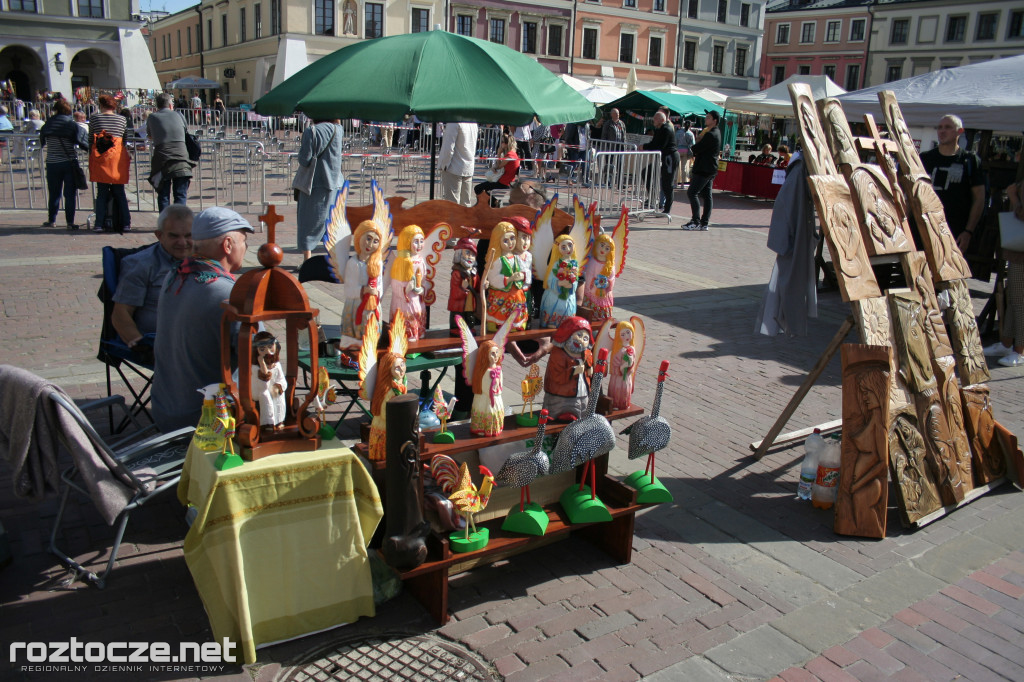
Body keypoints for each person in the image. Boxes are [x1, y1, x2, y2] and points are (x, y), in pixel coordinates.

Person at [151, 206, 254, 433]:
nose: (246, 247)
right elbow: (261, 359)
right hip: (207, 421)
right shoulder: (228, 293)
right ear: (228, 245)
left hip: (164, 410)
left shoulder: (174, 275)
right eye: (243, 241)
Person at [111, 205, 194, 359]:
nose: (182, 243)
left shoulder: (203, 259)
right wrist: (138, 343)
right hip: (162, 345)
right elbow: (120, 313)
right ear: (159, 235)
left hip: (197, 338)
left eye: (188, 235)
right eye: (174, 236)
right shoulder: (141, 265)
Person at [920, 114, 986, 253]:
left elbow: (979, 199)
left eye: (948, 127)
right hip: (923, 227)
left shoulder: (969, 161)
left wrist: (968, 231)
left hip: (953, 230)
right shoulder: (925, 158)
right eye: (940, 127)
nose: (942, 131)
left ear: (959, 131)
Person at [984, 180, 1024, 367]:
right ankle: (1007, 342)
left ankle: (1019, 350)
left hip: (1021, 252)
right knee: (1013, 297)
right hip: (1018, 253)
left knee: (1020, 303)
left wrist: (1014, 196)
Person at [296, 118, 345, 261]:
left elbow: (304, 159)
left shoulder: (311, 131)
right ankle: (333, 258)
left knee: (308, 221)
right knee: (331, 221)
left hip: (315, 182)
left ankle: (307, 259)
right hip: (335, 181)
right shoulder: (338, 129)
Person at [39, 98, 88, 230]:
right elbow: (82, 141)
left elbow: (42, 140)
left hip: (52, 162)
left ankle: (51, 219)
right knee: (70, 194)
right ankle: (70, 222)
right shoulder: (71, 125)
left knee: (54, 193)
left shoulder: (48, 124)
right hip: (69, 162)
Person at [88, 94, 132, 233]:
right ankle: (126, 223)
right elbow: (125, 139)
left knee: (101, 193)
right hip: (117, 158)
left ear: (101, 105)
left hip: (101, 158)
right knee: (120, 193)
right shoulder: (122, 119)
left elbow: (91, 139)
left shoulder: (95, 118)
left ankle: (99, 224)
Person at [147, 93, 195, 213]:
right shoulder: (179, 115)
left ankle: (164, 224)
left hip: (162, 160)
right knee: (180, 194)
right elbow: (185, 130)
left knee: (163, 194)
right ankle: (180, 223)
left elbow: (150, 135)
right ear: (170, 105)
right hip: (182, 159)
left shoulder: (152, 117)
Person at [541, 316, 593, 422]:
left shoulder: (587, 354)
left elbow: (592, 367)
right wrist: (573, 371)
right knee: (560, 411)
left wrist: (590, 370)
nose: (581, 341)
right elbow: (556, 376)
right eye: (578, 335)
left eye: (585, 338)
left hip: (582, 394)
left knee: (583, 412)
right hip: (562, 396)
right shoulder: (558, 354)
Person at [684, 109, 722, 231]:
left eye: (709, 117)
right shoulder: (714, 132)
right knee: (706, 195)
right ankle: (704, 222)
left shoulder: (711, 134)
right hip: (709, 168)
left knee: (692, 192)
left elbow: (696, 148)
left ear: (715, 121)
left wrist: (698, 141)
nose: (706, 119)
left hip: (704, 168)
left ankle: (696, 221)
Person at [642, 112, 678, 216]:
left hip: (670, 158)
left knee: (667, 184)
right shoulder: (659, 129)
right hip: (662, 158)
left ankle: (667, 209)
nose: (654, 121)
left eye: (655, 119)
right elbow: (654, 143)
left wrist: (644, 147)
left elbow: (659, 145)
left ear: (661, 120)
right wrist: (644, 146)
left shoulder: (666, 129)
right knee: (646, 172)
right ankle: (652, 198)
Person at [438, 121, 478, 206]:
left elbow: (448, 148)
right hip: (468, 167)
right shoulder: (473, 124)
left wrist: (444, 165)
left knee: (452, 205)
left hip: (454, 167)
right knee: (465, 204)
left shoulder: (453, 123)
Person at [474, 133, 519, 202]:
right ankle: (492, 203)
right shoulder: (513, 154)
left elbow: (499, 166)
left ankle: (494, 202)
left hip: (503, 183)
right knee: (483, 188)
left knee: (477, 188)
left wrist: (498, 153)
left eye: (502, 142)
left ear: (507, 144)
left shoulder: (510, 155)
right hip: (506, 181)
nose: (501, 144)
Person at [676, 120, 694, 187]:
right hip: (686, 151)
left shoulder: (678, 132)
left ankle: (675, 183)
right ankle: (683, 184)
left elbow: (675, 141)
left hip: (678, 150)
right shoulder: (691, 134)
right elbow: (692, 144)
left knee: (677, 167)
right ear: (690, 126)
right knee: (684, 168)